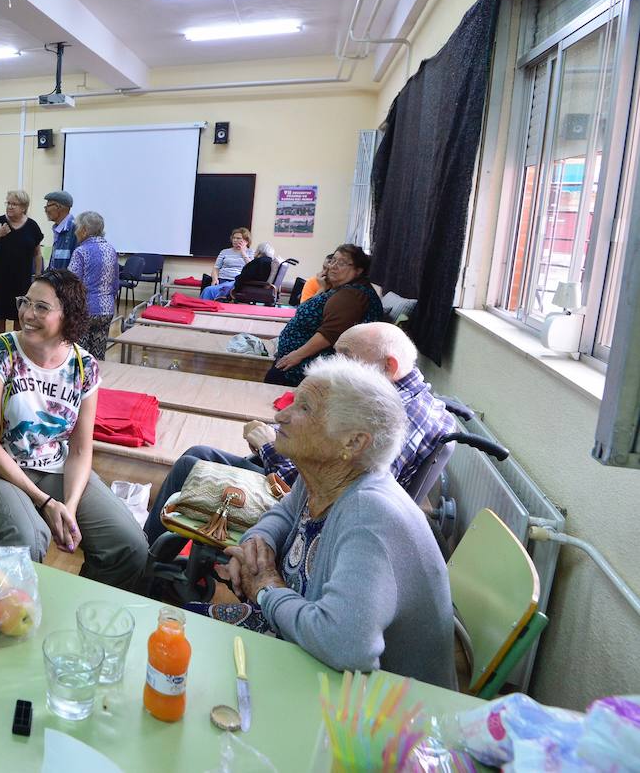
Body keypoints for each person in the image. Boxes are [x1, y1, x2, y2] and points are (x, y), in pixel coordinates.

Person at [201, 357, 456, 689]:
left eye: (304, 409)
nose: (281, 415)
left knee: (200, 666)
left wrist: (265, 589)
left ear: (352, 442)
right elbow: (283, 514)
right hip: (311, 658)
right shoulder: (322, 477)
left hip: (378, 710)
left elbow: (346, 646)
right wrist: (257, 546)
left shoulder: (370, 516)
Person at [142, 322, 456, 543]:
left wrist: (268, 446)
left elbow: (329, 490)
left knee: (192, 463)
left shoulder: (393, 417)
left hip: (307, 509)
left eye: (345, 356)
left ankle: (144, 563)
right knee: (202, 455)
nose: (333, 363)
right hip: (305, 490)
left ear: (388, 366)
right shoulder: (411, 401)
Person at [0, 269, 148, 590]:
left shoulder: (83, 366)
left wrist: (69, 509)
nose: (27, 314)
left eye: (41, 307)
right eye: (25, 302)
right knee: (28, 540)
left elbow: (80, 450)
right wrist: (45, 503)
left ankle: (84, 615)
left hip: (55, 467)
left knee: (129, 545)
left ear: (68, 316)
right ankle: (16, 621)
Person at [268, 244, 383, 385]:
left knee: (273, 378)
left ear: (358, 270)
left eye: (341, 263)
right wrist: (323, 287)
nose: (333, 266)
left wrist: (296, 355)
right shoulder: (342, 288)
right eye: (333, 260)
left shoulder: (352, 295)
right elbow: (309, 306)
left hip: (311, 366)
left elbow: (330, 334)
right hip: (302, 358)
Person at [0, 190, 44, 334]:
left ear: (23, 207)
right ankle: (1, 349)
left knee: (20, 316)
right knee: (0, 316)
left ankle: (17, 349)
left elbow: (37, 253)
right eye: (8, 203)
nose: (10, 207)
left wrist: (37, 275)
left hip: (22, 280)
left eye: (14, 204)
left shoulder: (32, 226)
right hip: (1, 279)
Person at [67, 210, 118, 359]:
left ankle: (81, 382)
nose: (75, 232)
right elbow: (115, 283)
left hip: (85, 310)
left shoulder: (81, 251)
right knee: (98, 356)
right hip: (106, 309)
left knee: (80, 356)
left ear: (83, 230)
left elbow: (72, 283)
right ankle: (98, 381)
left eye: (77, 228)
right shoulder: (111, 250)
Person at [201, 227, 254, 300]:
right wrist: (215, 279)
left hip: (237, 282)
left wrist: (243, 253)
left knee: (210, 290)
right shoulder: (224, 252)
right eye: (234, 238)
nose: (235, 240)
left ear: (246, 241)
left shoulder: (251, 252)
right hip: (222, 279)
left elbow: (251, 267)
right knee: (209, 289)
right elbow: (216, 268)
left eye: (238, 238)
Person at [43, 190, 77, 271]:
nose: (45, 210)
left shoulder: (75, 229)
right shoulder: (58, 229)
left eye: (48, 206)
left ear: (58, 207)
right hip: (57, 281)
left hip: (67, 282)